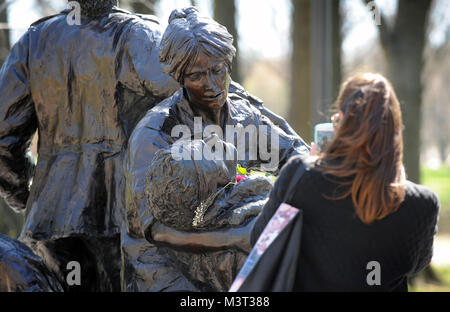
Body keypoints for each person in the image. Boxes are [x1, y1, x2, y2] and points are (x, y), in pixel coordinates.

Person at [123, 7, 310, 292]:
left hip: (234, 263)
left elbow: (297, 158)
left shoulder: (247, 117)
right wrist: (236, 237)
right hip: (166, 267)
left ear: (228, 66)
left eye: (217, 71)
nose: (211, 85)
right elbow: (156, 231)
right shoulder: (155, 133)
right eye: (197, 76)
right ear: (180, 77)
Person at [0, 0, 179, 291]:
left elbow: (2, 140)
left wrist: (28, 196)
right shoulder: (142, 37)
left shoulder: (35, 41)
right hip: (129, 221)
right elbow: (195, 113)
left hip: (53, 222)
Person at [251, 73, 440, 291]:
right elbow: (417, 264)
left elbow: (260, 241)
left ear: (341, 120)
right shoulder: (423, 204)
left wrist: (313, 164)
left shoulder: (300, 175)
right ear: (396, 131)